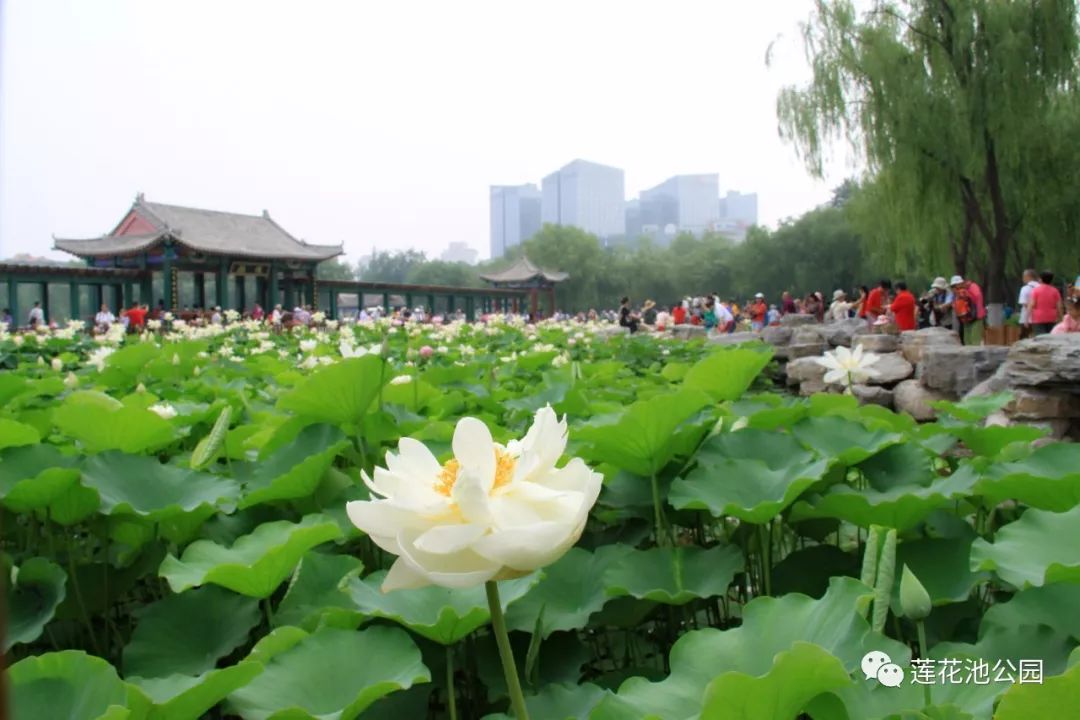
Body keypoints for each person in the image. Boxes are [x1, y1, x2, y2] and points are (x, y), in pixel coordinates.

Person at [950, 275, 986, 345]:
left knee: (972, 341)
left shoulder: (970, 287)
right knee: (971, 341)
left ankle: (975, 355)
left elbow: (978, 298)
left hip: (973, 318)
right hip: (967, 318)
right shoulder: (970, 287)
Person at [1030, 270, 1063, 336]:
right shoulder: (1055, 291)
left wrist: (1029, 315)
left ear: (1041, 279)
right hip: (1052, 317)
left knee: (1040, 337)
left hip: (1038, 318)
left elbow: (1032, 304)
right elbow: (1059, 306)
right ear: (1051, 280)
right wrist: (1061, 318)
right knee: (1051, 336)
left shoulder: (1036, 290)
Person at [1017, 269, 1039, 339]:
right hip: (1040, 318)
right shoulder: (1041, 287)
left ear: (1028, 277)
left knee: (1023, 338)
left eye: (1023, 276)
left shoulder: (1025, 288)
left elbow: (1024, 303)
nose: (1023, 278)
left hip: (1027, 318)